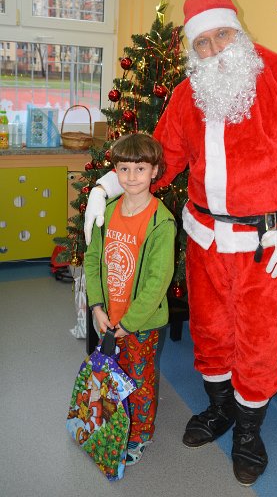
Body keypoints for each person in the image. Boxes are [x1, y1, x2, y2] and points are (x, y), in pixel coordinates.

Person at [84, 0, 277, 486]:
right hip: (204, 240)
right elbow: (161, 157)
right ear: (193, 49)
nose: (214, 49)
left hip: (266, 246)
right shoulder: (189, 94)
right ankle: (220, 409)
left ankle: (249, 431)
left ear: (238, 31)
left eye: (222, 35)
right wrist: (107, 186)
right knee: (210, 331)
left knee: (259, 340)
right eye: (202, 42)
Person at [84, 132, 176, 466]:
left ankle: (139, 436)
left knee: (139, 381)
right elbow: (93, 259)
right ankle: (112, 423)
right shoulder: (107, 212)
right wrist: (97, 307)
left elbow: (156, 283)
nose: (132, 176)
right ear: (116, 172)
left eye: (140, 168)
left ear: (154, 171)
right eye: (124, 169)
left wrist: (129, 323)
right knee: (111, 374)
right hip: (107, 318)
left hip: (140, 324)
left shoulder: (161, 223)